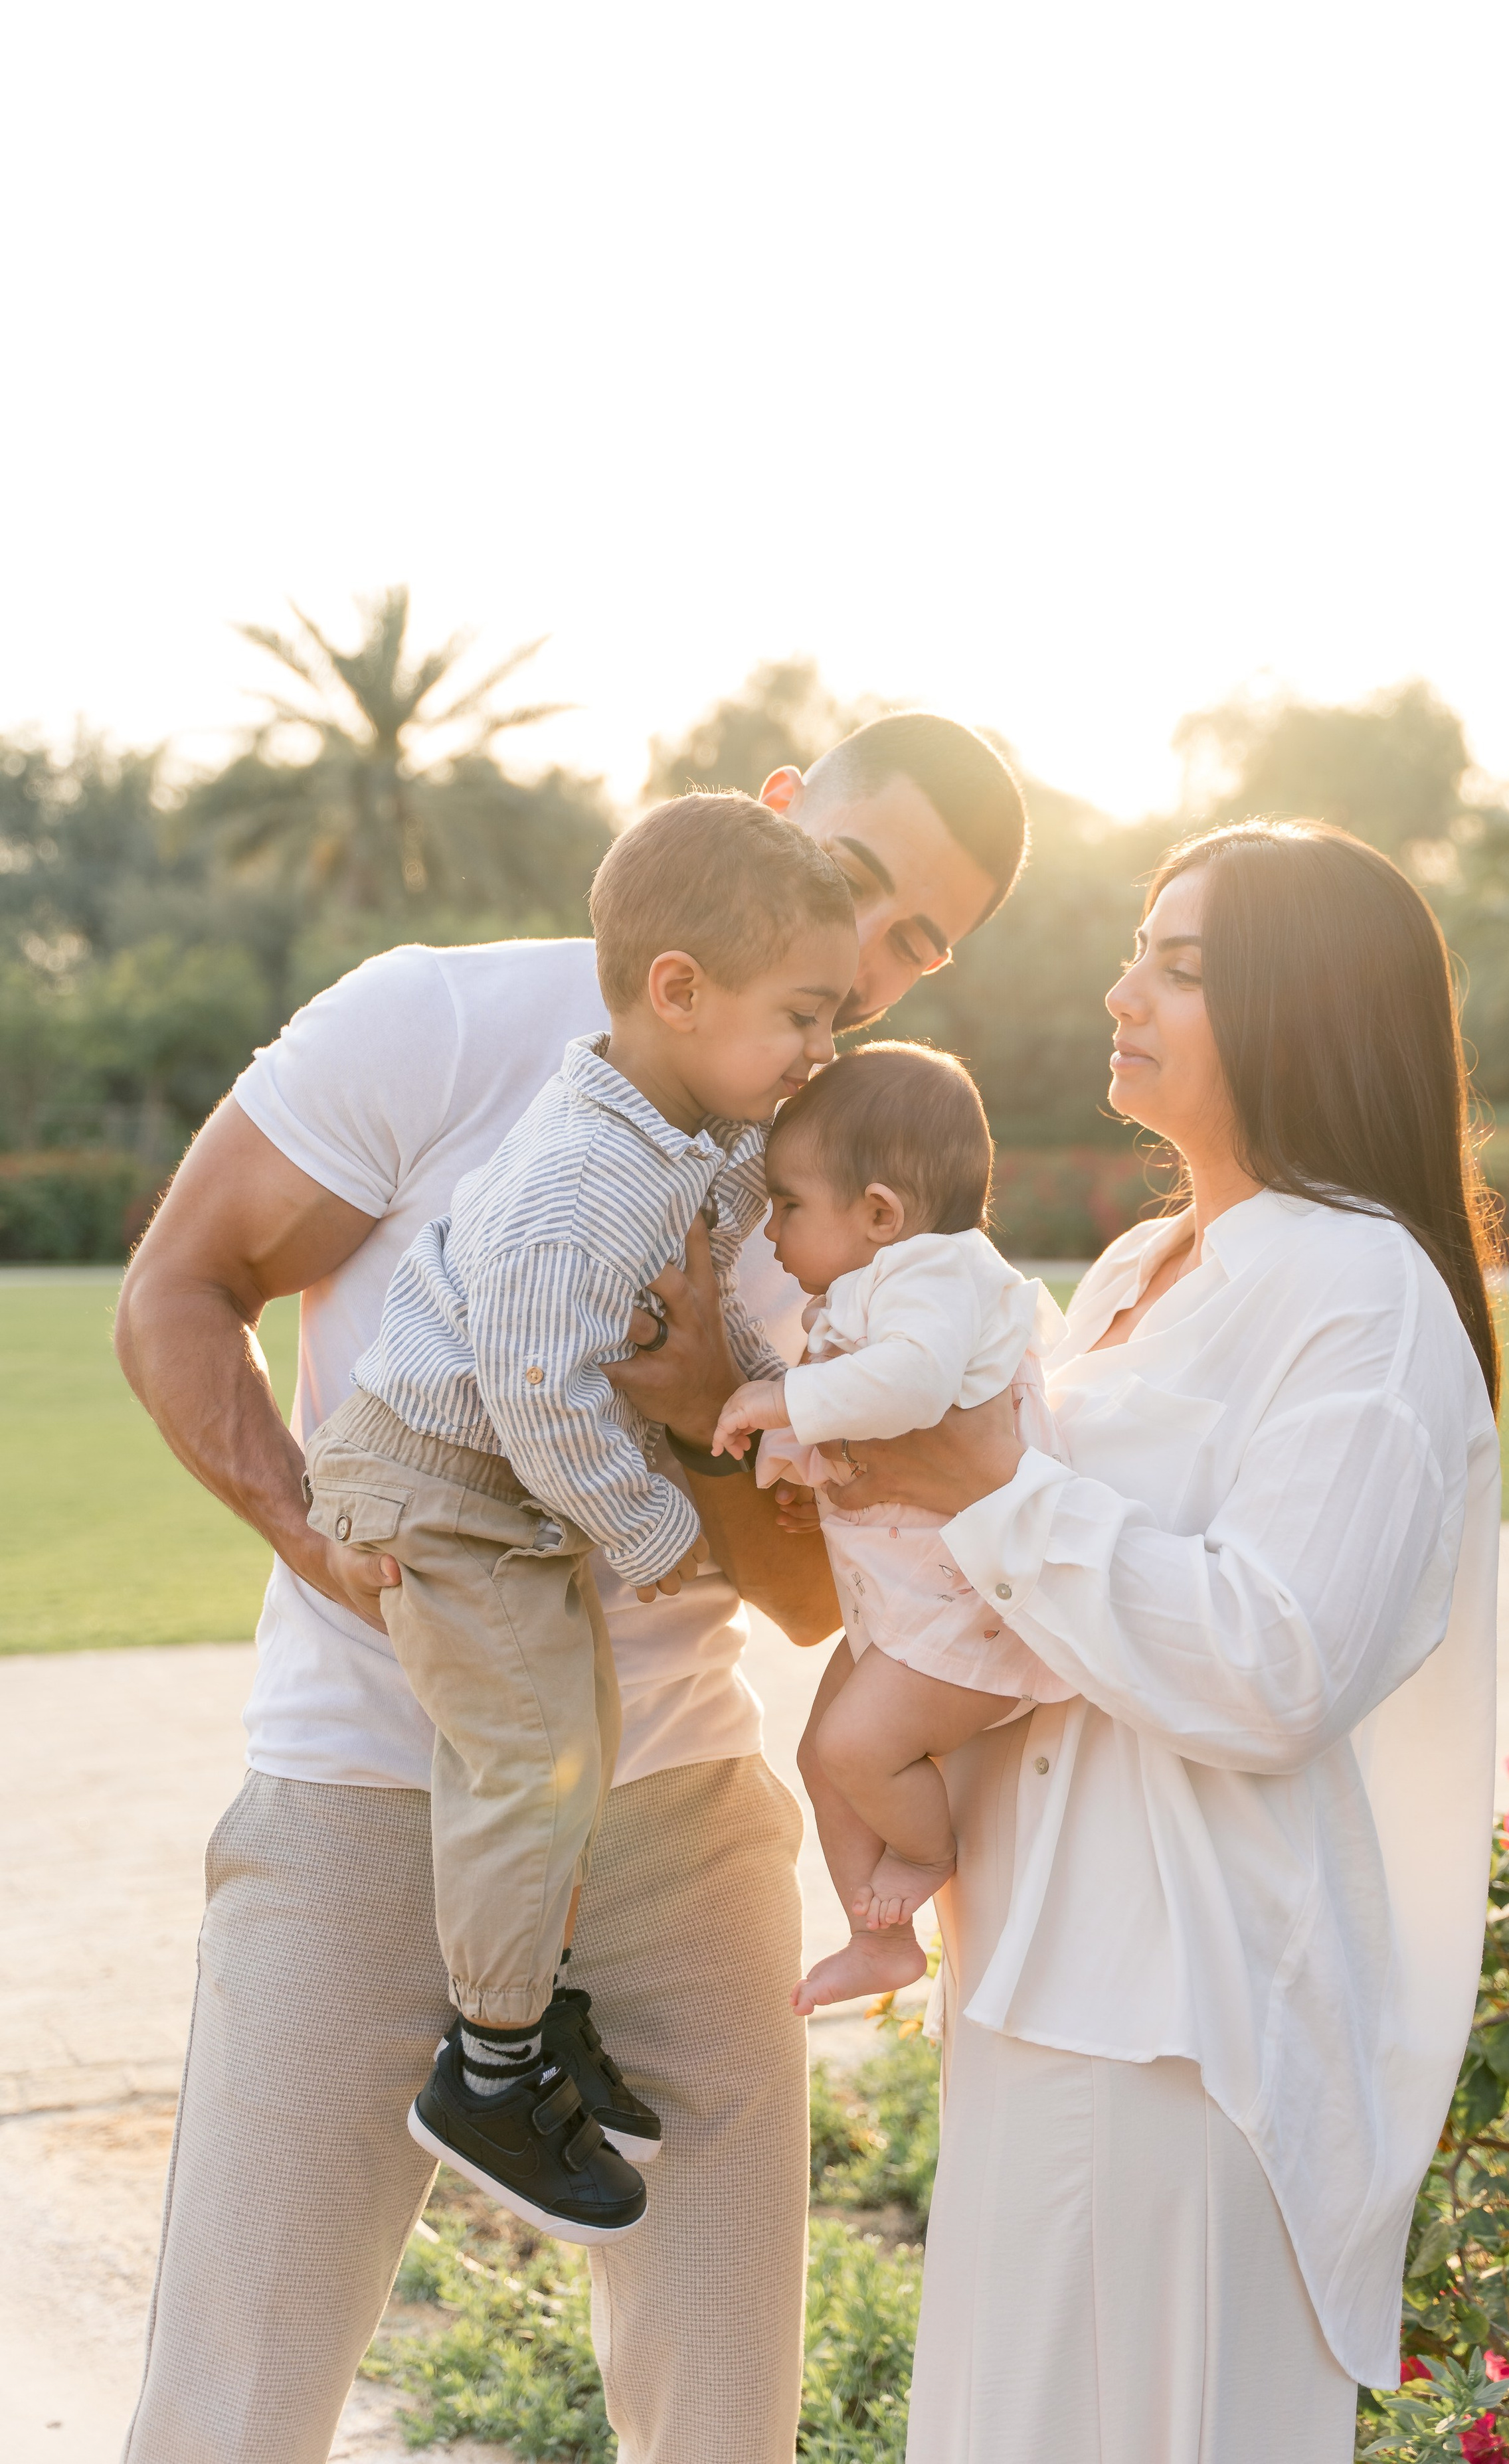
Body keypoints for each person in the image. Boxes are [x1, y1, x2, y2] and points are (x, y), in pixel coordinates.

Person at [114, 711, 1027, 2464]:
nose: (880, 960)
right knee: (229, 2411)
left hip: (682, 1816)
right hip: (369, 1789)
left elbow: (813, 1597)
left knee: (726, 2422)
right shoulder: (437, 1021)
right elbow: (180, 1285)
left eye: (924, 944)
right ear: (770, 816)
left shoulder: (854, 1185)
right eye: (858, 887)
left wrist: (699, 1407)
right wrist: (323, 1542)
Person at [816, 819, 1503, 2460]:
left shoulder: (1363, 1291)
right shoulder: (1133, 1267)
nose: (1122, 989)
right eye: (1138, 949)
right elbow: (993, 1598)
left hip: (1189, 2006)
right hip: (1033, 1964)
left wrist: (986, 1486)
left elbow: (1271, 1667)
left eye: (1180, 967)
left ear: (1303, 1009)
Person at [303, 794, 855, 2238]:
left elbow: (723, 1190)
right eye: (803, 1014)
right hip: (439, 1483)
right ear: (677, 989)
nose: (822, 1049)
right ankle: (488, 2071)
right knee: (531, 1750)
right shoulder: (573, 1192)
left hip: (484, 1481)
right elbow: (546, 1406)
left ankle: (527, 2014)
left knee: (571, 1734)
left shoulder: (667, 1112)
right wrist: (665, 1538)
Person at [710, 1042, 1070, 2015]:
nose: (768, 1230)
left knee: (857, 1751)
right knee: (822, 1754)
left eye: (786, 1204)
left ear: (879, 1213)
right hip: (904, 1605)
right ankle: (880, 1943)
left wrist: (781, 1403)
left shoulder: (938, 1274)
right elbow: (883, 1431)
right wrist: (804, 1477)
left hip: (963, 1605)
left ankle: (927, 1852)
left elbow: (909, 1388)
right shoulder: (877, 1286)